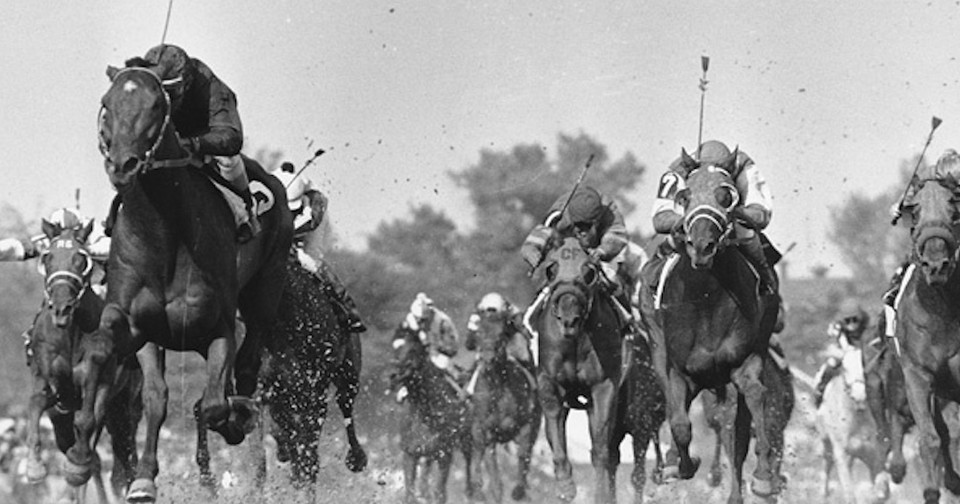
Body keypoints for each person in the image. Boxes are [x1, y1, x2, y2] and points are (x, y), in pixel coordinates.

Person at [123, 44, 259, 241]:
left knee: (228, 160)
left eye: (171, 91)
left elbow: (231, 137)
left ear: (185, 82)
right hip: (170, 136)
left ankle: (246, 212)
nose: (166, 97)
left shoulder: (214, 88)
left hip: (205, 137)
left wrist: (192, 143)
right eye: (161, 91)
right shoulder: (147, 86)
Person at [651, 140, 777, 296]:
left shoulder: (743, 165)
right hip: (689, 223)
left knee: (747, 234)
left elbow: (761, 215)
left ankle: (765, 279)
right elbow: (659, 219)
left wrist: (732, 213)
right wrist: (687, 220)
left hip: (730, 222)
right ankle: (653, 283)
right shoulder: (679, 169)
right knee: (673, 240)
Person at [519, 186, 642, 334]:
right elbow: (538, 236)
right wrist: (533, 252)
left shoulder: (609, 211)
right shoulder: (560, 209)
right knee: (547, 277)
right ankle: (532, 322)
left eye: (586, 227)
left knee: (612, 277)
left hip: (597, 252)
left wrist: (602, 251)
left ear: (597, 221)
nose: (580, 231)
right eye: (577, 225)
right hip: (567, 254)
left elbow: (617, 237)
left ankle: (626, 322)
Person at [269, 161, 366, 335]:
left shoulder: (315, 206)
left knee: (310, 261)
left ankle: (348, 308)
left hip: (308, 231)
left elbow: (299, 229)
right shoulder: (266, 187)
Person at [395, 292, 462, 402]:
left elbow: (453, 344)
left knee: (446, 368)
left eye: (422, 320)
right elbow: (402, 339)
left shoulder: (442, 321)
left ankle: (458, 394)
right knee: (409, 366)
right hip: (419, 354)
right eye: (417, 319)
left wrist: (440, 348)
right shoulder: (410, 321)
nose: (420, 322)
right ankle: (404, 387)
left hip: (440, 353)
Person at [812, 300, 869, 406]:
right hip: (844, 351)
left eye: (854, 320)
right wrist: (841, 352)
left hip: (862, 352)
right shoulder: (836, 328)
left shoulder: (867, 325)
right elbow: (834, 343)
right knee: (832, 363)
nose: (851, 324)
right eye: (848, 321)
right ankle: (820, 389)